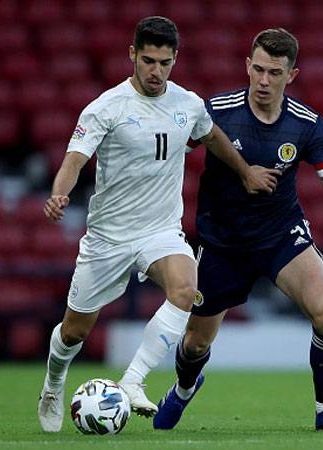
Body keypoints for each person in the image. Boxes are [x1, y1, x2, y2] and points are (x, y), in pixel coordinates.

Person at [37, 16, 279, 433]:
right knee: (74, 331)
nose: (156, 71)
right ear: (132, 54)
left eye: (165, 63)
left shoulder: (188, 104)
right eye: (148, 61)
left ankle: (132, 381)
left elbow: (213, 136)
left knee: (186, 290)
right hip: (109, 236)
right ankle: (53, 384)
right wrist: (60, 193)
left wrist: (245, 172)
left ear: (175, 59)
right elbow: (74, 160)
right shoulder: (105, 108)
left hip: (160, 230)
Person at [152, 28, 323, 432]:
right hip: (223, 242)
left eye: (274, 73)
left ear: (291, 75)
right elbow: (169, 154)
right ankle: (183, 389)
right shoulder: (217, 112)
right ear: (247, 65)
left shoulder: (307, 124)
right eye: (258, 69)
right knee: (195, 343)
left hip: (281, 235)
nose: (264, 80)